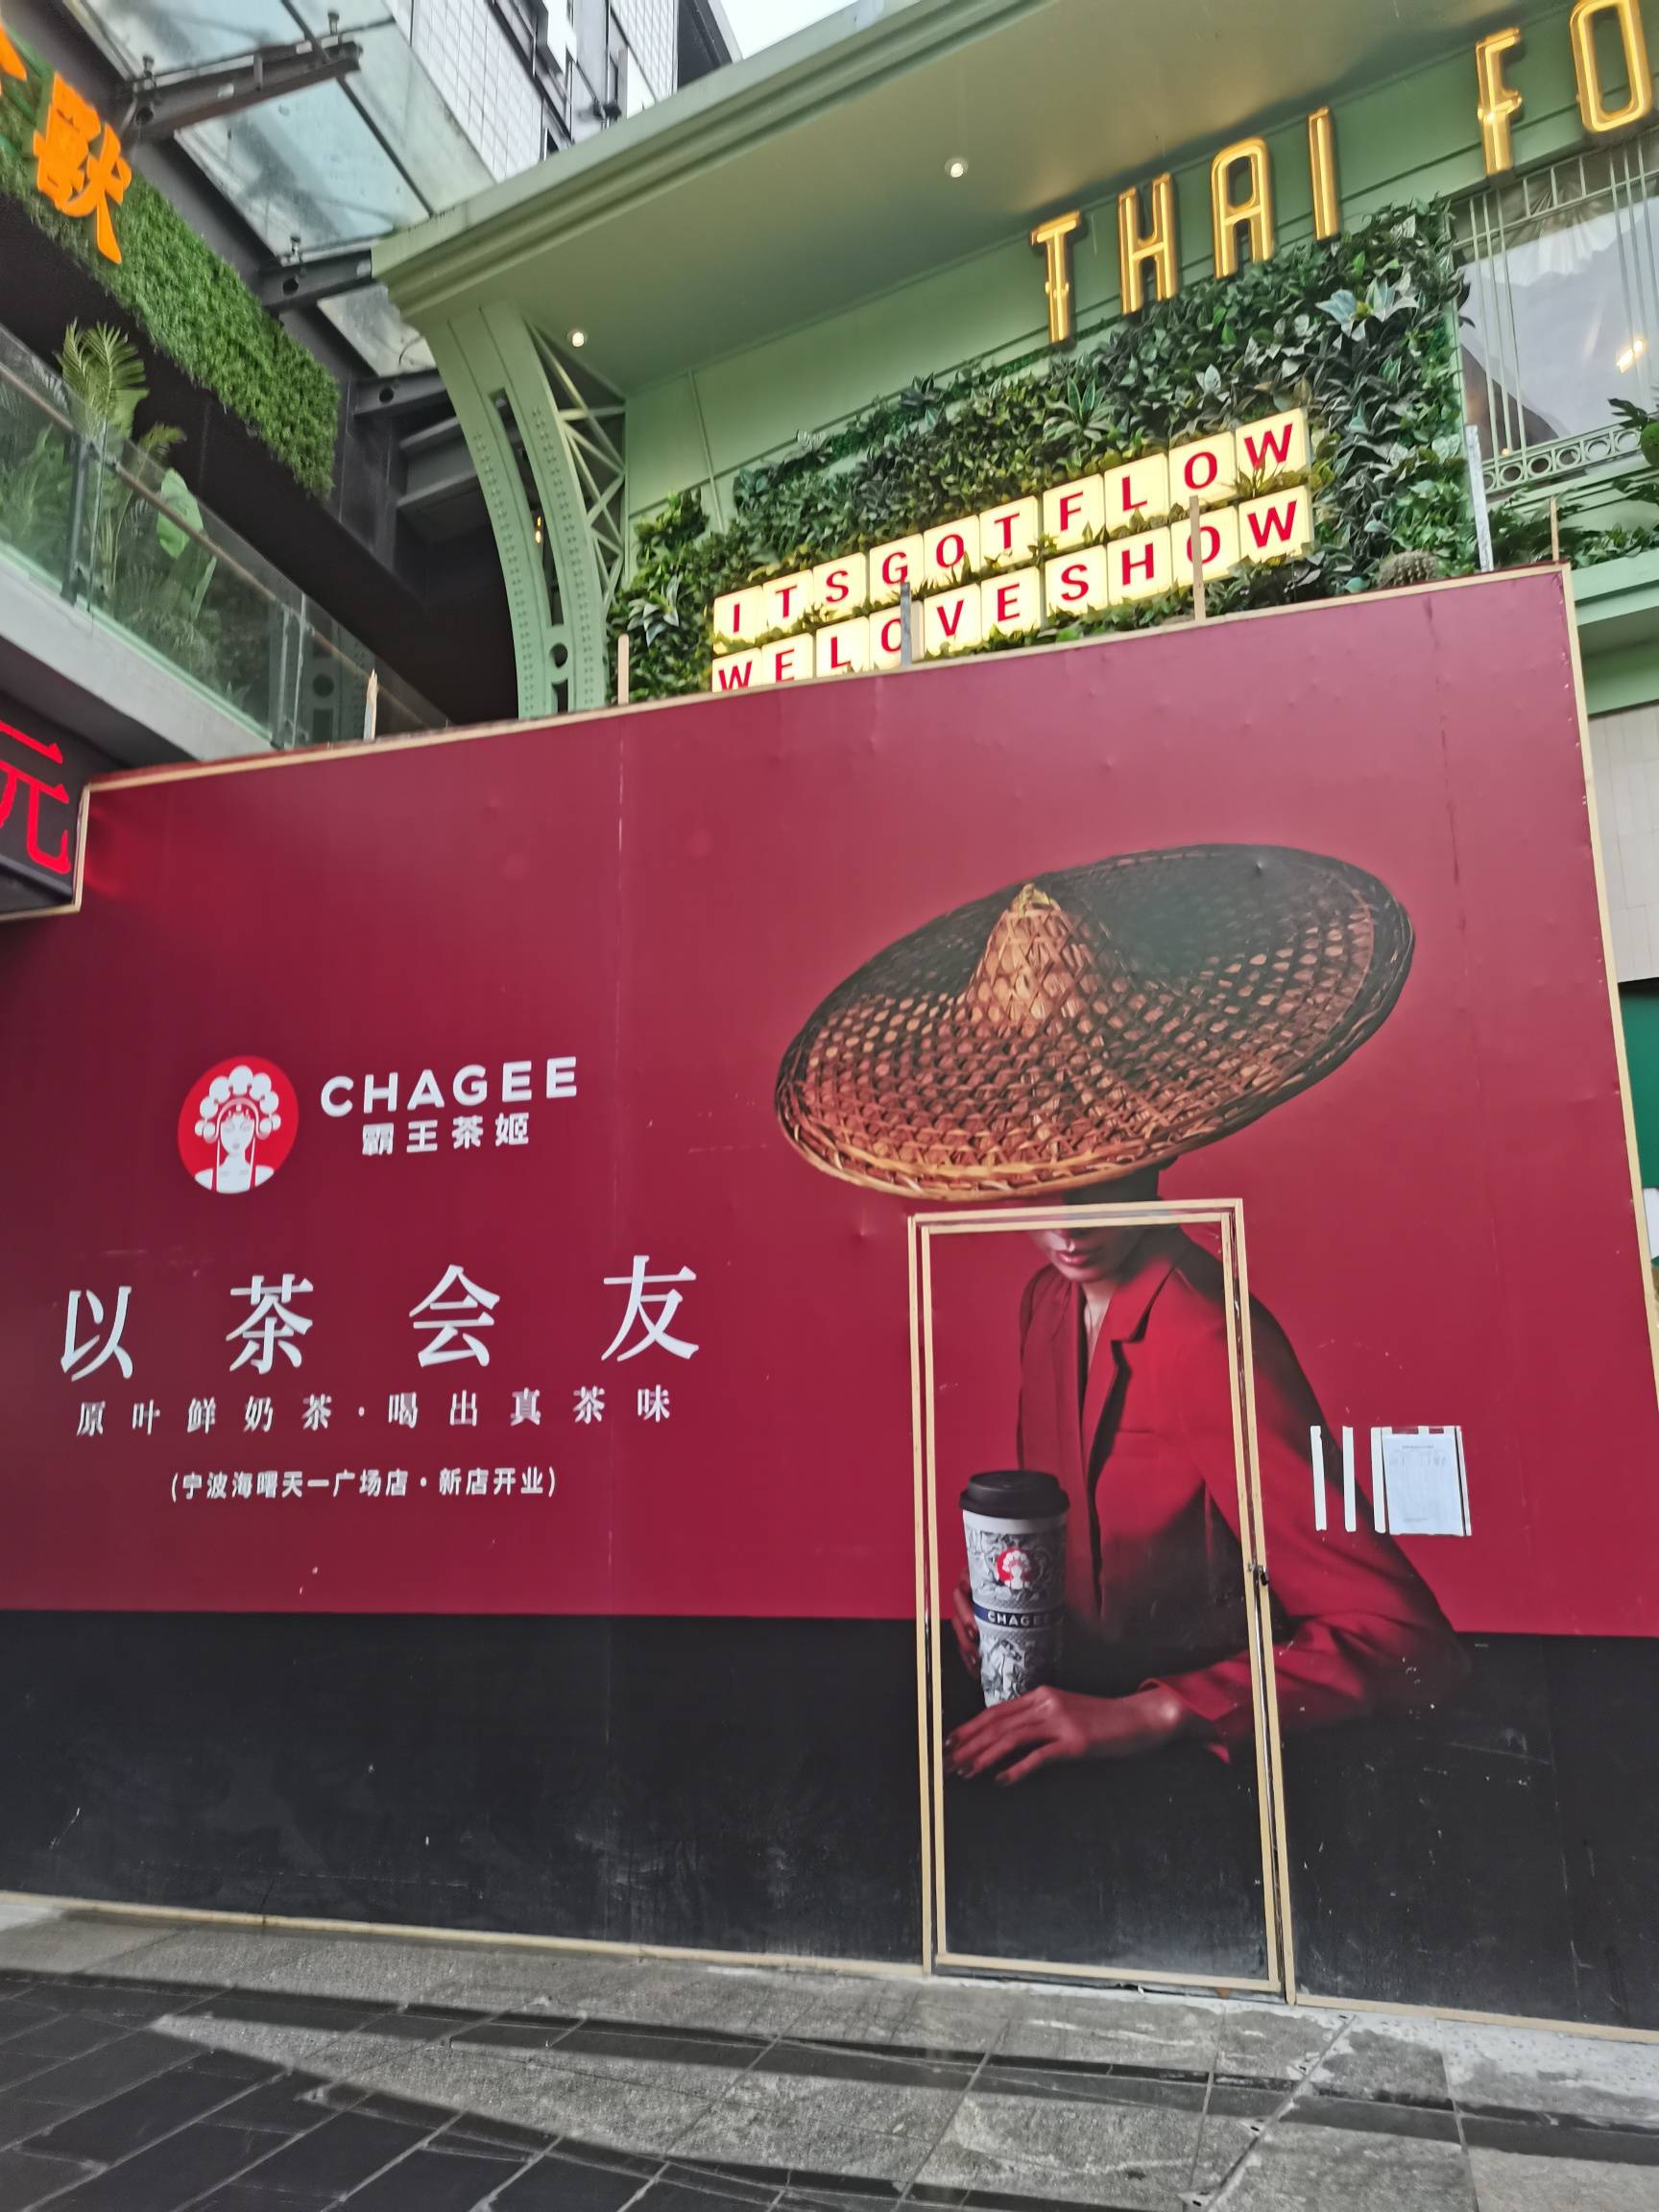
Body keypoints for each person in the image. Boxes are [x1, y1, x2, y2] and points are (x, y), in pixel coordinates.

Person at [944, 1171, 1465, 1787]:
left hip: (1220, 1769)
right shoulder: (1047, 1302)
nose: (1067, 1225)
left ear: (1152, 1160)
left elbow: (1405, 1640)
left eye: (1095, 1184)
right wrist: (1000, 1591)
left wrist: (1157, 1712)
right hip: (1070, 1730)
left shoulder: (1205, 1333)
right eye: (1040, 1184)